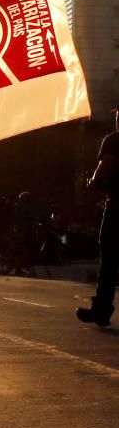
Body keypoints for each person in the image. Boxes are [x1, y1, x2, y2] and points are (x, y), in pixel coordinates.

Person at [78, 105, 119, 326]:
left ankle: (101, 309)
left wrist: (92, 182)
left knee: (110, 258)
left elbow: (105, 167)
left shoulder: (114, 140)